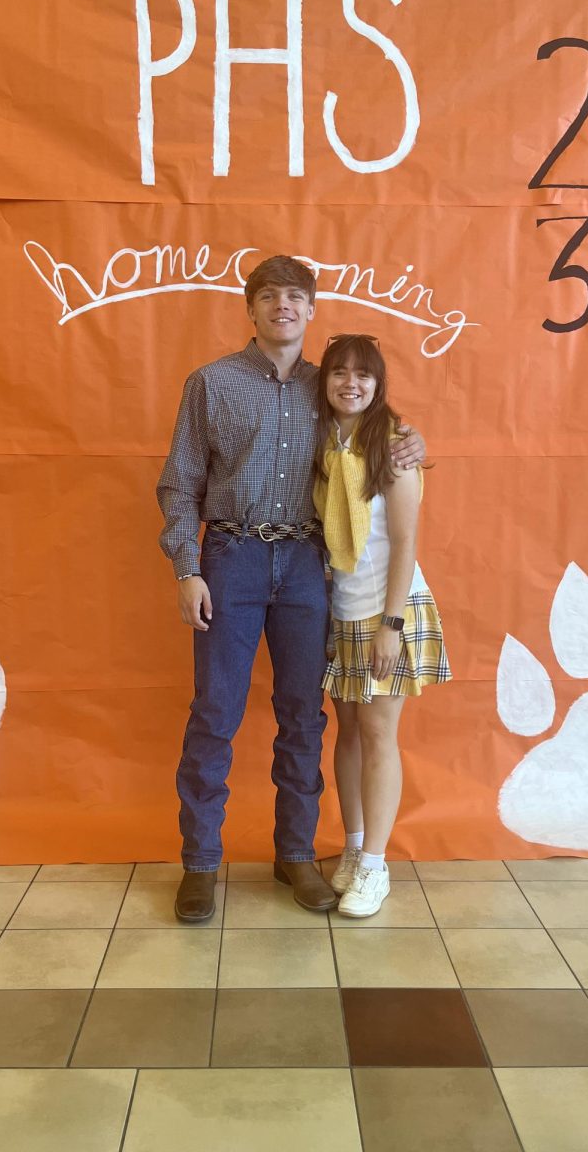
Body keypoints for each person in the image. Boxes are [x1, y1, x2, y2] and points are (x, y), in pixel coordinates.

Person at [156, 256, 426, 922]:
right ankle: (199, 865)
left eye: (296, 296)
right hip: (231, 558)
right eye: (269, 295)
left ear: (311, 311)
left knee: (305, 717)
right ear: (250, 310)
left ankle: (297, 855)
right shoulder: (211, 384)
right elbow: (179, 481)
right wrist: (187, 567)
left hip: (308, 566)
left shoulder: (330, 386)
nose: (283, 305)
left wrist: (413, 442)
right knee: (215, 713)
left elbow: (378, 437)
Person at [313, 333, 451, 918]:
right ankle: (351, 848)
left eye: (363, 375)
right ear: (323, 383)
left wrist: (390, 625)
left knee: (377, 736)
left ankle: (375, 866)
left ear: (378, 384)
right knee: (345, 734)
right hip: (340, 609)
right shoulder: (320, 442)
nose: (351, 383)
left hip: (387, 610)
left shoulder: (394, 447)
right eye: (339, 372)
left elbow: (404, 543)